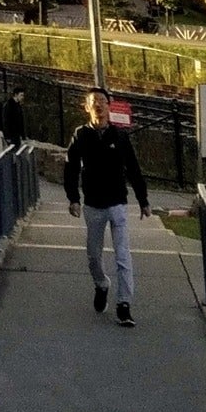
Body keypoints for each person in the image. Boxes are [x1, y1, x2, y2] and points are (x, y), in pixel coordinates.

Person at [64, 87, 151, 327]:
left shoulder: (120, 137)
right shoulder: (80, 135)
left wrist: (143, 200)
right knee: (94, 255)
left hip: (118, 204)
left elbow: (133, 169)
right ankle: (101, 284)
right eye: (94, 102)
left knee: (123, 256)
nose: (99, 106)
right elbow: (71, 168)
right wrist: (73, 198)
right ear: (87, 107)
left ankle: (124, 304)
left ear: (109, 106)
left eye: (102, 101)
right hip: (93, 204)